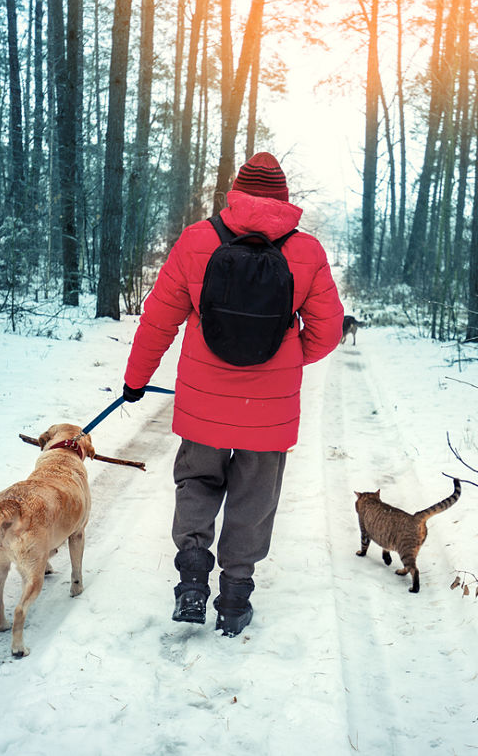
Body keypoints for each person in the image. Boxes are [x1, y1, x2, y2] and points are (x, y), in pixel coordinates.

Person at [121, 152, 344, 637]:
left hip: (203, 400)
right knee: (254, 498)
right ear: (285, 200)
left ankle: (193, 583)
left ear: (235, 193)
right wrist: (284, 360)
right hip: (271, 410)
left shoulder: (198, 240)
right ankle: (235, 600)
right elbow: (327, 332)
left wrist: (136, 380)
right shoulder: (306, 251)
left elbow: (159, 318)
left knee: (196, 483)